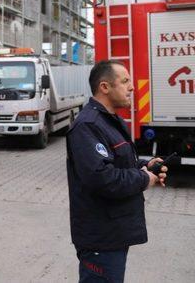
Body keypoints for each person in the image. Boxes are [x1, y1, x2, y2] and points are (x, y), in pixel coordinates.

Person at [66, 60, 168, 282]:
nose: (132, 87)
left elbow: (118, 162)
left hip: (114, 232)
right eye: (125, 81)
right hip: (100, 238)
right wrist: (144, 179)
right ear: (104, 87)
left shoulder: (111, 121)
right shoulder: (88, 125)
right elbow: (102, 178)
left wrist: (145, 165)